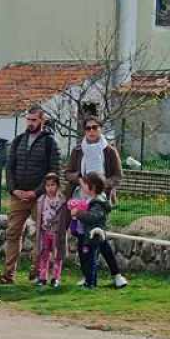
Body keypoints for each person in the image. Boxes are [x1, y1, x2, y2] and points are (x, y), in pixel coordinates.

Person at [0, 107, 60, 284]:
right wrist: (13, 189)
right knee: (12, 233)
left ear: (42, 120)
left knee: (41, 235)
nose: (30, 123)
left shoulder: (50, 143)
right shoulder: (18, 141)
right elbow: (9, 167)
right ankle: (8, 275)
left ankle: (38, 273)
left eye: (34, 120)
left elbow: (54, 172)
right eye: (28, 120)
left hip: (39, 197)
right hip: (18, 195)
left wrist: (37, 192)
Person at [65, 118, 128, 289]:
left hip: (100, 197)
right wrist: (79, 179)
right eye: (88, 128)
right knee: (82, 237)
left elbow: (117, 176)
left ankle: (116, 274)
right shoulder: (78, 150)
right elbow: (68, 172)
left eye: (95, 127)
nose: (91, 131)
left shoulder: (109, 151)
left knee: (99, 237)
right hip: (81, 196)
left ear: (100, 129)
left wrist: (101, 185)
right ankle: (87, 275)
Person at [71, 172, 112, 290]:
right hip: (87, 236)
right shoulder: (91, 200)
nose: (82, 187)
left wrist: (78, 213)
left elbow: (92, 217)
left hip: (94, 237)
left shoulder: (98, 203)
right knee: (87, 259)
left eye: (84, 184)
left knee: (90, 260)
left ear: (92, 187)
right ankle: (89, 282)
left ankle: (90, 284)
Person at [35, 173, 69, 288]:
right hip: (45, 232)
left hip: (57, 233)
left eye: (53, 185)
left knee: (57, 256)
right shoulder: (41, 200)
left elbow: (65, 217)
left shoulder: (62, 200)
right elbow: (39, 216)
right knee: (44, 255)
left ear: (58, 186)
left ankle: (55, 278)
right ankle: (42, 277)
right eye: (47, 185)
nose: (50, 188)